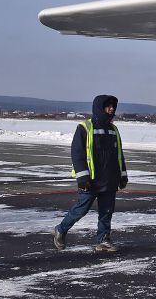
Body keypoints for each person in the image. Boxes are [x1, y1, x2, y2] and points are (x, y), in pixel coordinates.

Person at [53, 95, 128, 253]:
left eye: (113, 106)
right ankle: (61, 229)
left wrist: (122, 175)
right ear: (99, 107)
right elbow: (77, 154)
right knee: (81, 209)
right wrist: (82, 177)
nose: (111, 109)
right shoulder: (85, 128)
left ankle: (103, 240)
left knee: (106, 212)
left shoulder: (114, 130)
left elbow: (119, 155)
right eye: (108, 106)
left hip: (110, 179)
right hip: (91, 180)